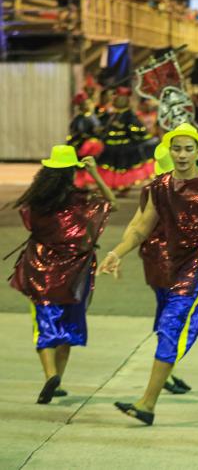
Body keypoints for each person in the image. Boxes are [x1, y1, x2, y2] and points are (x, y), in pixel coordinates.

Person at [97, 123, 198, 426]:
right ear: (169, 150)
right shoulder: (160, 187)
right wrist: (116, 252)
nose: (182, 155)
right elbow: (142, 228)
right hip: (177, 265)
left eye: (188, 148)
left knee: (171, 323)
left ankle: (147, 403)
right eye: (177, 148)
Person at [9, 148, 115, 404]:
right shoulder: (80, 201)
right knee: (68, 328)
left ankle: (50, 376)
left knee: (44, 325)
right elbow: (112, 203)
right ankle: (58, 380)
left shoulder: (36, 201)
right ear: (71, 172)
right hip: (73, 274)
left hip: (40, 270)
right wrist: (95, 174)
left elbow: (34, 227)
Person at [133, 144, 192, 395]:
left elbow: (137, 225)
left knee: (165, 313)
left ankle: (169, 371)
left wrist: (118, 252)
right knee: (173, 317)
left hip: (155, 260)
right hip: (175, 261)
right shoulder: (180, 191)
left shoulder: (152, 190)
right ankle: (166, 371)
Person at [96, 86, 154, 192]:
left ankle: (123, 186)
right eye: (119, 98)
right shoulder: (113, 114)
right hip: (110, 147)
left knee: (123, 167)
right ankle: (113, 185)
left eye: (123, 99)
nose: (120, 101)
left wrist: (128, 128)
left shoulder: (129, 115)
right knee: (110, 167)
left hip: (124, 147)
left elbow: (137, 129)